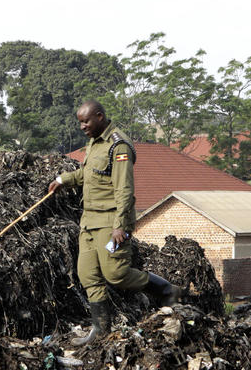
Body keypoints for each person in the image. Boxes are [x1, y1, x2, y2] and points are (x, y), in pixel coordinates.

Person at [48, 100, 180, 345]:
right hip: (89, 222)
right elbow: (87, 175)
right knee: (87, 274)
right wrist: (63, 180)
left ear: (100, 116)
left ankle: (166, 290)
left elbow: (124, 189)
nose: (82, 126)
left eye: (86, 121)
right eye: (80, 122)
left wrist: (121, 226)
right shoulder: (95, 143)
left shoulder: (118, 146)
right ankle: (100, 330)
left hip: (111, 223)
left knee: (116, 274)